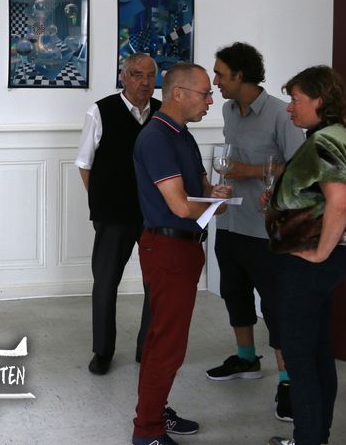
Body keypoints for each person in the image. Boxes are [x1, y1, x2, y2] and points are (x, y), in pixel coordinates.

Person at [131, 63, 232, 445]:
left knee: (166, 340)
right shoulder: (157, 138)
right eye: (204, 93)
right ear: (178, 93)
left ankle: (154, 413)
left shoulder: (181, 135)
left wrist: (214, 198)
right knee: (167, 344)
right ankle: (148, 431)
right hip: (168, 249)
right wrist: (207, 204)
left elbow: (200, 195)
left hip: (184, 248)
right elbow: (180, 206)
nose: (211, 100)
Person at [265, 66, 346, 445]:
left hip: (305, 265)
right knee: (318, 351)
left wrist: (320, 252)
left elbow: (339, 201)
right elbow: (321, 197)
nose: (290, 107)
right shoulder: (337, 135)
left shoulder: (324, 141)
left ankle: (308, 439)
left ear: (320, 100)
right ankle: (316, 437)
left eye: (296, 99)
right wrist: (279, 200)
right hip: (318, 265)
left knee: (299, 357)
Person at [207, 43, 305, 422]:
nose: (215, 81)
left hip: (266, 229)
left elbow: (299, 168)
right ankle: (246, 359)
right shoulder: (229, 110)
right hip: (230, 220)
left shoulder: (281, 114)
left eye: (221, 74)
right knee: (234, 293)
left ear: (240, 75)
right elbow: (227, 161)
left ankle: (287, 381)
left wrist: (246, 171)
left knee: (276, 306)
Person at [75, 52, 160, 375]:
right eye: (137, 74)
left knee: (156, 282)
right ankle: (102, 351)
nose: (145, 82)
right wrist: (101, 202)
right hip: (112, 214)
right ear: (123, 77)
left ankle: (146, 348)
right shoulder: (101, 111)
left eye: (150, 75)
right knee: (106, 282)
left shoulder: (163, 112)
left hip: (153, 214)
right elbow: (84, 163)